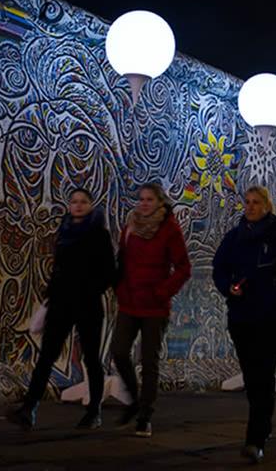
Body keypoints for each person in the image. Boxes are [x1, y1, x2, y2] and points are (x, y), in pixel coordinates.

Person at [213, 186, 276, 464]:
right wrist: (229, 288)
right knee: (252, 375)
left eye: (256, 202)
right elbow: (220, 268)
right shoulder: (235, 237)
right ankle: (262, 426)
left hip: (273, 318)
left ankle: (255, 438)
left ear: (267, 205)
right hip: (242, 316)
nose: (250, 207)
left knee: (263, 373)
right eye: (248, 202)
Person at [16, 188, 117, 430]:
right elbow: (58, 268)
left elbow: (108, 272)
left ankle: (94, 411)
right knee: (47, 356)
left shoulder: (99, 234)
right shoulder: (65, 230)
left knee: (91, 358)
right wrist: (50, 295)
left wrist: (91, 289)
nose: (78, 206)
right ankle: (29, 408)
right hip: (61, 303)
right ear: (69, 206)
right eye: (74, 202)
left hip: (88, 304)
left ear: (91, 205)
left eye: (83, 202)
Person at [112, 182, 192, 438]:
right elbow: (122, 260)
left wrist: (161, 291)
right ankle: (134, 399)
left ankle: (145, 415)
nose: (144, 203)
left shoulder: (169, 230)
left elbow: (183, 268)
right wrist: (120, 288)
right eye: (141, 199)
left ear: (160, 202)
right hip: (129, 302)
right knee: (120, 351)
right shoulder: (131, 226)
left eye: (149, 199)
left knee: (149, 361)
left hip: (155, 308)